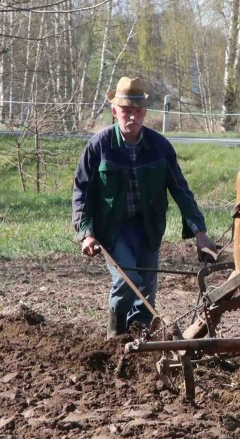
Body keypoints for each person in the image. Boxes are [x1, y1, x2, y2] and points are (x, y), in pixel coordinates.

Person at [72, 76, 220, 338]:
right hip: (112, 229)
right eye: (126, 112)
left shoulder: (159, 147)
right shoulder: (100, 145)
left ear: (144, 112)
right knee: (127, 281)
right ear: (115, 111)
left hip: (148, 228)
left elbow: (181, 191)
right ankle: (115, 337)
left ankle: (140, 341)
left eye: (137, 111)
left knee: (147, 291)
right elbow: (82, 191)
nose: (132, 117)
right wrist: (86, 233)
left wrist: (200, 232)